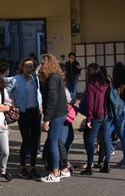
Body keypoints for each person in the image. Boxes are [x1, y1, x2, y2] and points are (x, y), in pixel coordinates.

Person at [7, 57, 43, 180]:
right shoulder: (16, 79)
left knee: (35, 140)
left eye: (31, 67)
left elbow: (39, 92)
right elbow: (7, 91)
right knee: (26, 140)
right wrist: (12, 102)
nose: (29, 69)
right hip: (23, 112)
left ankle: (33, 167)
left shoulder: (35, 78)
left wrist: (41, 104)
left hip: (35, 111)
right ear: (22, 67)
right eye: (27, 67)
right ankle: (22, 167)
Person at [39, 54, 71, 183]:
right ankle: (63, 169)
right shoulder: (56, 77)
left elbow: (52, 99)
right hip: (60, 113)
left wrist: (47, 118)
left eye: (42, 63)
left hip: (56, 114)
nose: (41, 66)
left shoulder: (52, 78)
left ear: (48, 64)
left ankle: (55, 173)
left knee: (53, 143)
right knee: (56, 141)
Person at [82, 63, 112, 175]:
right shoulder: (106, 83)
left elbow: (90, 103)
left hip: (95, 115)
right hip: (106, 114)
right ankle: (107, 164)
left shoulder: (91, 85)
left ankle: (90, 165)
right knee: (106, 139)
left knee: (90, 139)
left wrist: (89, 118)